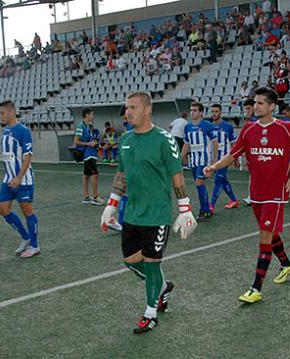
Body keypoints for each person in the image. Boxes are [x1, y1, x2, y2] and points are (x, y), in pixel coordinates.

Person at [100, 92, 197, 334]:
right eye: (126, 108)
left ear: (147, 109)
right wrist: (111, 204)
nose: (128, 112)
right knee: (130, 261)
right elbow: (122, 173)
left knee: (152, 265)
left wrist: (185, 208)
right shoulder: (125, 139)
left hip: (157, 214)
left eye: (133, 107)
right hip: (132, 213)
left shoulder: (164, 140)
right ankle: (162, 287)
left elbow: (177, 175)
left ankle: (150, 313)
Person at [204, 87, 290, 304]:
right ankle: (287, 264)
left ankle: (256, 288)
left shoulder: (286, 128)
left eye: (261, 103)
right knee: (269, 233)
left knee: (264, 236)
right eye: (255, 102)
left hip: (276, 193)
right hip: (256, 193)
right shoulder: (248, 130)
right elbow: (233, 154)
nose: (256, 106)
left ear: (271, 106)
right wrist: (214, 166)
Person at [0, 100, 40, 258]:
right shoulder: (6, 131)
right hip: (8, 179)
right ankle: (25, 237)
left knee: (27, 211)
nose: (0, 116)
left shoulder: (22, 131)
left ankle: (35, 246)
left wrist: (19, 177)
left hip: (23, 180)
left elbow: (28, 155)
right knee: (2, 209)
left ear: (11, 112)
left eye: (2, 113)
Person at [181, 102, 218, 220]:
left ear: (201, 112)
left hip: (204, 160)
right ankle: (207, 209)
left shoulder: (207, 125)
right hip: (194, 161)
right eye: (191, 110)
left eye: (195, 110)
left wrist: (214, 161)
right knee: (199, 186)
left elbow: (215, 143)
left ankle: (204, 210)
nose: (192, 112)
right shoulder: (187, 127)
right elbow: (186, 144)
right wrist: (181, 157)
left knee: (199, 183)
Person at [208, 104, 239, 212]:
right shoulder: (209, 127)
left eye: (216, 111)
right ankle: (234, 200)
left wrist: (235, 159)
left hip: (225, 159)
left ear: (220, 112)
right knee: (223, 180)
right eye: (212, 112)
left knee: (218, 179)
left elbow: (234, 144)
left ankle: (211, 205)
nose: (214, 114)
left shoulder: (227, 126)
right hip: (215, 159)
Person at [73, 108, 105, 205]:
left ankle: (86, 196)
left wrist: (96, 145)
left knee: (86, 175)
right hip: (88, 155)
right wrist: (89, 144)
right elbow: (76, 141)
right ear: (87, 115)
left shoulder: (88, 127)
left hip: (90, 154)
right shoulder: (81, 126)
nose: (93, 116)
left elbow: (90, 141)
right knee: (94, 174)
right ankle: (95, 197)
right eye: (92, 114)